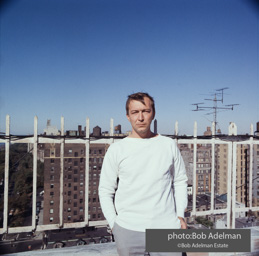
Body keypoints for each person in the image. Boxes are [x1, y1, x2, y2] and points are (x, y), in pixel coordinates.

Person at [98, 92, 188, 256]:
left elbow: (180, 181)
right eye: (135, 112)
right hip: (128, 231)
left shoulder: (168, 145)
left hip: (166, 229)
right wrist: (114, 225)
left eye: (145, 111)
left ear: (153, 113)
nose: (140, 117)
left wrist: (180, 214)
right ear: (128, 116)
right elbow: (105, 190)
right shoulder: (117, 149)